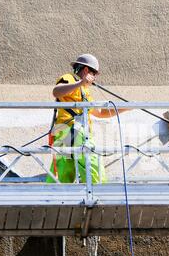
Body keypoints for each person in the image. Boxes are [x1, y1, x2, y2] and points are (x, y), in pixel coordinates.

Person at [46, 54, 129, 183]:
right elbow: (57, 92)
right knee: (77, 168)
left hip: (74, 133)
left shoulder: (84, 91)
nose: (95, 78)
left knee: (76, 168)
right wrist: (80, 82)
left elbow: (100, 112)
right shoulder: (69, 79)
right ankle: (95, 194)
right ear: (86, 70)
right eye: (94, 73)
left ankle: (90, 193)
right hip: (68, 131)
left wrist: (127, 107)